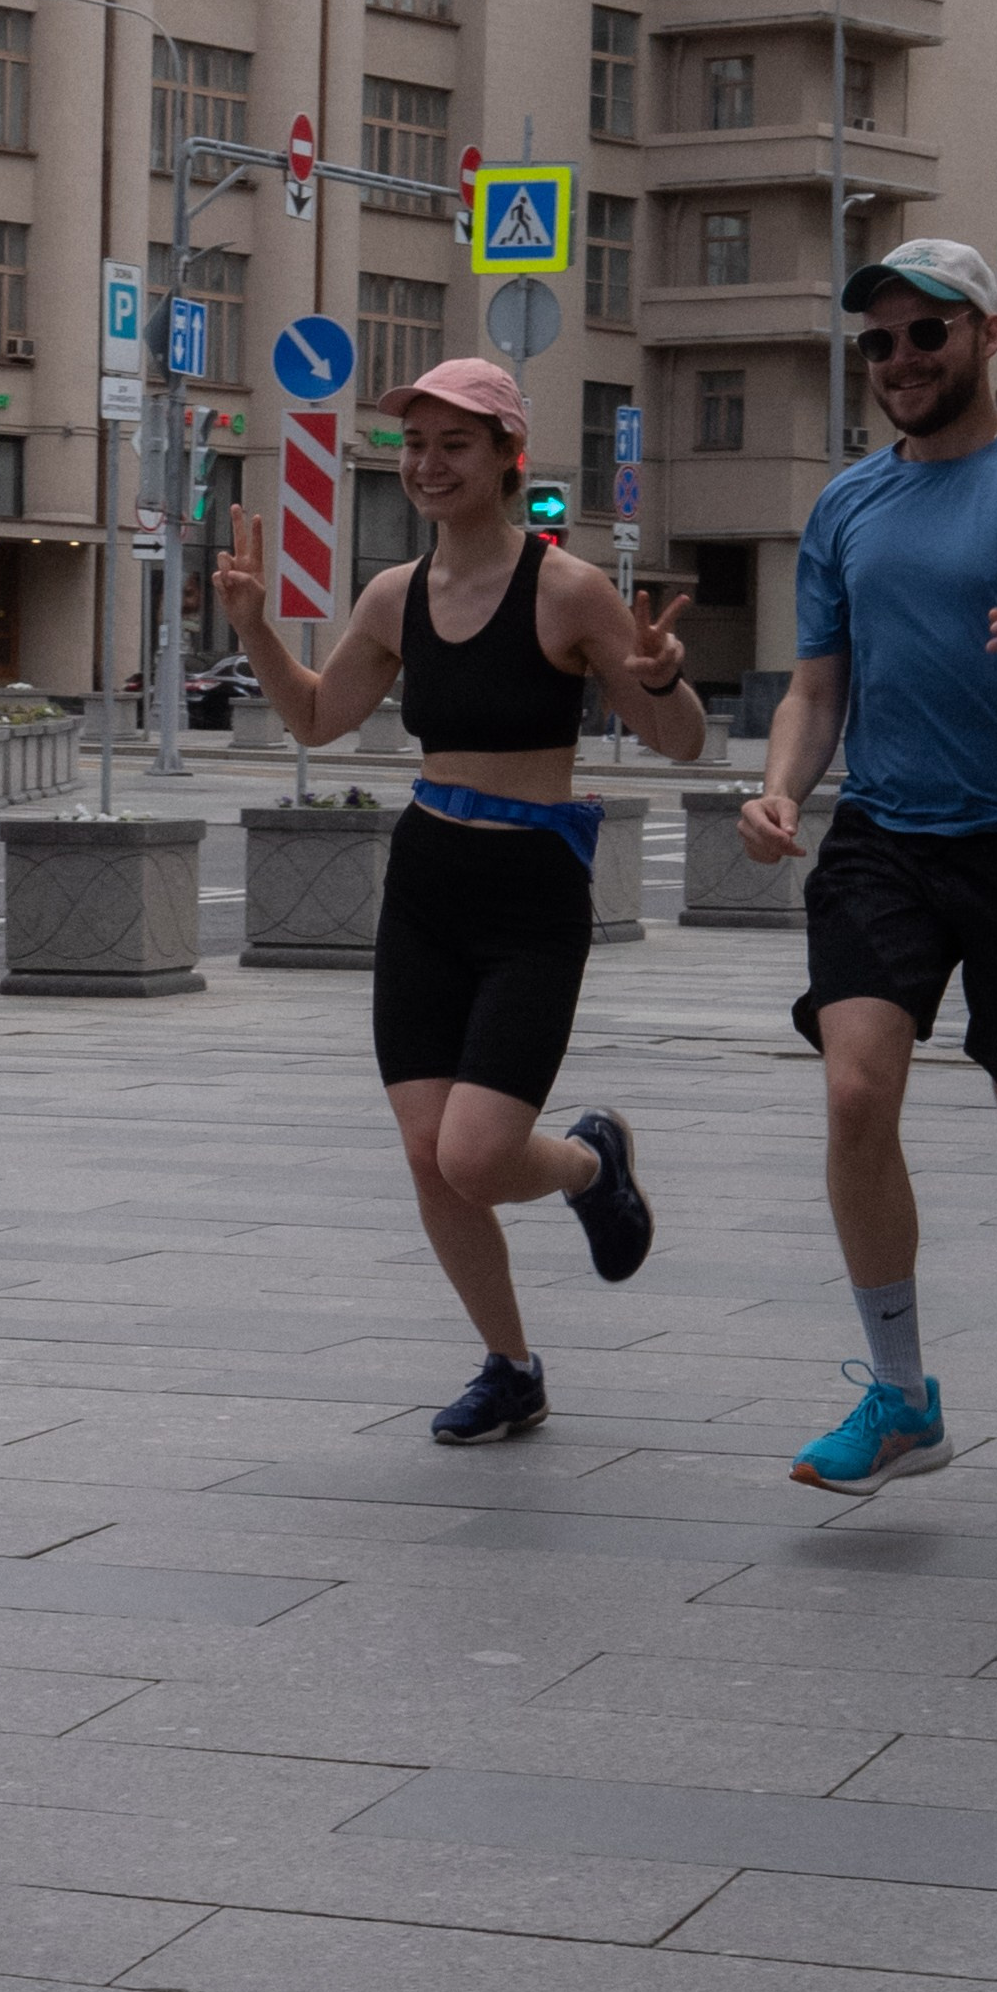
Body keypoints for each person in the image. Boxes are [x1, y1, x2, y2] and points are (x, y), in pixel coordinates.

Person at [216, 358, 706, 1440]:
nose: (429, 466)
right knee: (426, 1148)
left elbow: (679, 743)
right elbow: (314, 719)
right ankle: (510, 1364)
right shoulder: (394, 596)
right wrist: (252, 624)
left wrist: (664, 675)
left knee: (478, 1153)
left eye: (455, 445)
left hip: (532, 894)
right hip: (428, 885)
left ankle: (589, 1162)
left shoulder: (569, 588)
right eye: (416, 445)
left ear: (504, 458)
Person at [739, 237, 997, 1490]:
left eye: (928, 332)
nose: (902, 358)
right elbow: (818, 688)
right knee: (857, 1092)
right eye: (879, 340)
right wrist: (777, 787)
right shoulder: (846, 505)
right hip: (887, 835)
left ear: (987, 337)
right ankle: (902, 1392)